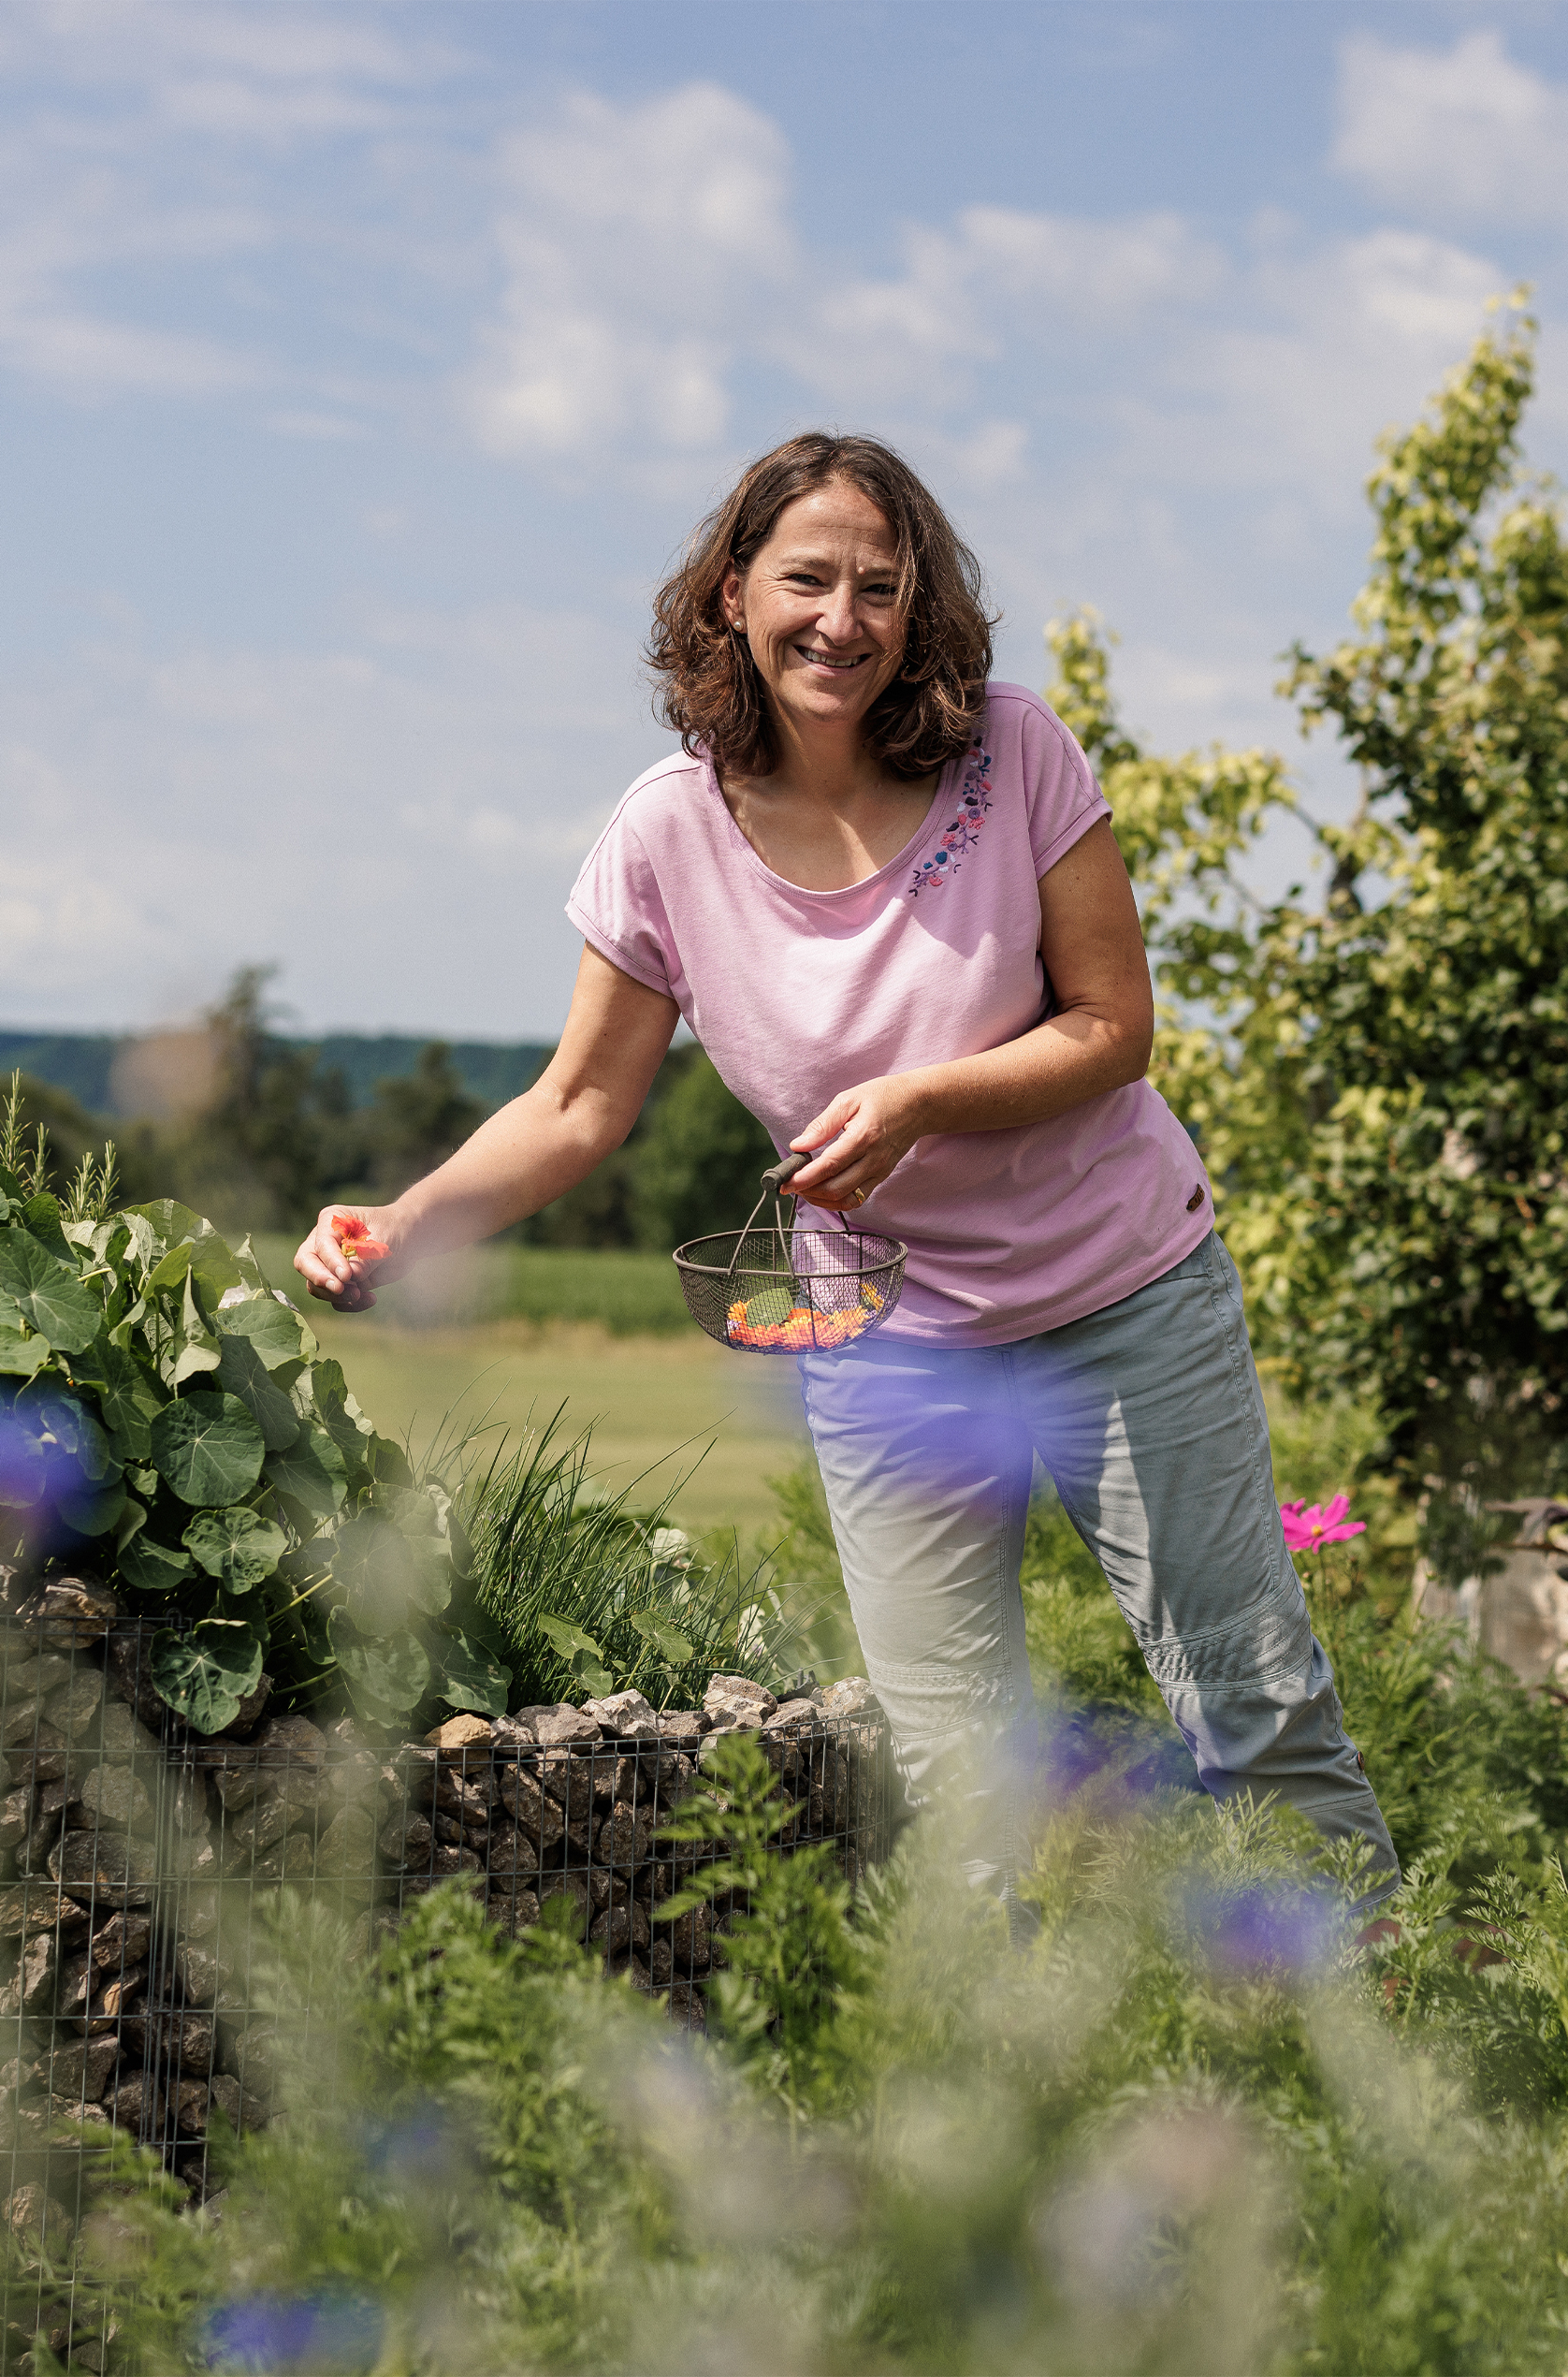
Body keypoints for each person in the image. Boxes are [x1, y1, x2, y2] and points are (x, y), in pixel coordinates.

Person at [295, 432, 1399, 1924]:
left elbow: (1115, 1029)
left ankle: (1390, 2029)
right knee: (955, 1786)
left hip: (1120, 1294)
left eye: (881, 586)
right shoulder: (667, 832)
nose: (843, 618)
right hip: (891, 1347)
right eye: (806, 578)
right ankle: (1003, 2123)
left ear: (919, 606)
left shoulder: (1015, 750)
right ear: (734, 596)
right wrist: (406, 1224)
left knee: (1253, 1707)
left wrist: (920, 1101)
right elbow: (573, 1104)